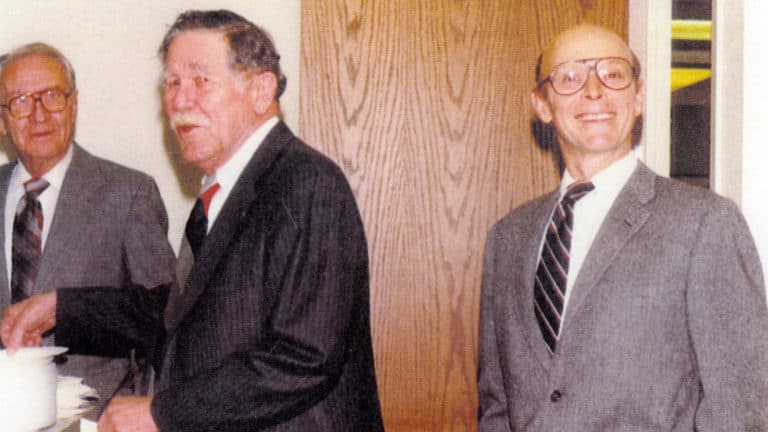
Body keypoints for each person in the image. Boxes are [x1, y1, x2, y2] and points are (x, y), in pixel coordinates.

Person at [2, 10, 384, 431]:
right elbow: (172, 322)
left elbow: (304, 358)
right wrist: (62, 308)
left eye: (201, 80)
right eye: (172, 83)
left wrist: (162, 412)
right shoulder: (218, 196)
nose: (179, 101)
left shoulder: (306, 184)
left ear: (261, 90)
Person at [477, 23, 768, 431]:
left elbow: (740, 411)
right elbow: (496, 408)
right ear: (541, 104)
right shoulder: (506, 239)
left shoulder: (705, 225)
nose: (594, 90)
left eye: (613, 74)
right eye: (570, 77)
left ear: (639, 96)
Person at [0, 43, 176, 421]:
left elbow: (164, 316)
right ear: (1, 120)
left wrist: (64, 309)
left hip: (95, 422)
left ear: (74, 104)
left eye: (52, 96)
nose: (39, 114)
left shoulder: (128, 193)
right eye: (19, 101)